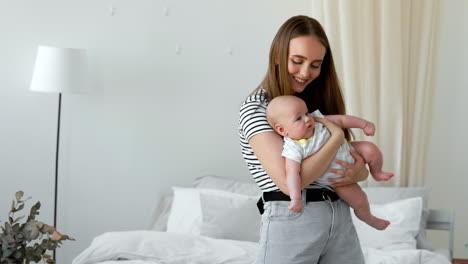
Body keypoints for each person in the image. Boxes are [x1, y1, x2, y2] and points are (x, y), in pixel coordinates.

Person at [238, 15, 370, 263]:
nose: (305, 72)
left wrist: (359, 173)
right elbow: (290, 184)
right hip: (293, 219)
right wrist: (335, 137)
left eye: (315, 64)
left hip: (338, 214)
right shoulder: (256, 110)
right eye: (297, 61)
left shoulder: (311, 105)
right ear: (277, 56)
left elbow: (355, 167)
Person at [266, 95, 392, 230]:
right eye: (299, 118)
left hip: (350, 151)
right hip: (338, 180)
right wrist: (296, 198)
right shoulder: (293, 148)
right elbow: (292, 173)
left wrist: (364, 124)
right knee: (360, 200)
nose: (308, 118)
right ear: (282, 130)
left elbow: (341, 120)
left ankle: (377, 172)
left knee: (370, 149)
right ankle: (369, 218)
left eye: (306, 112)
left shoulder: (318, 120)